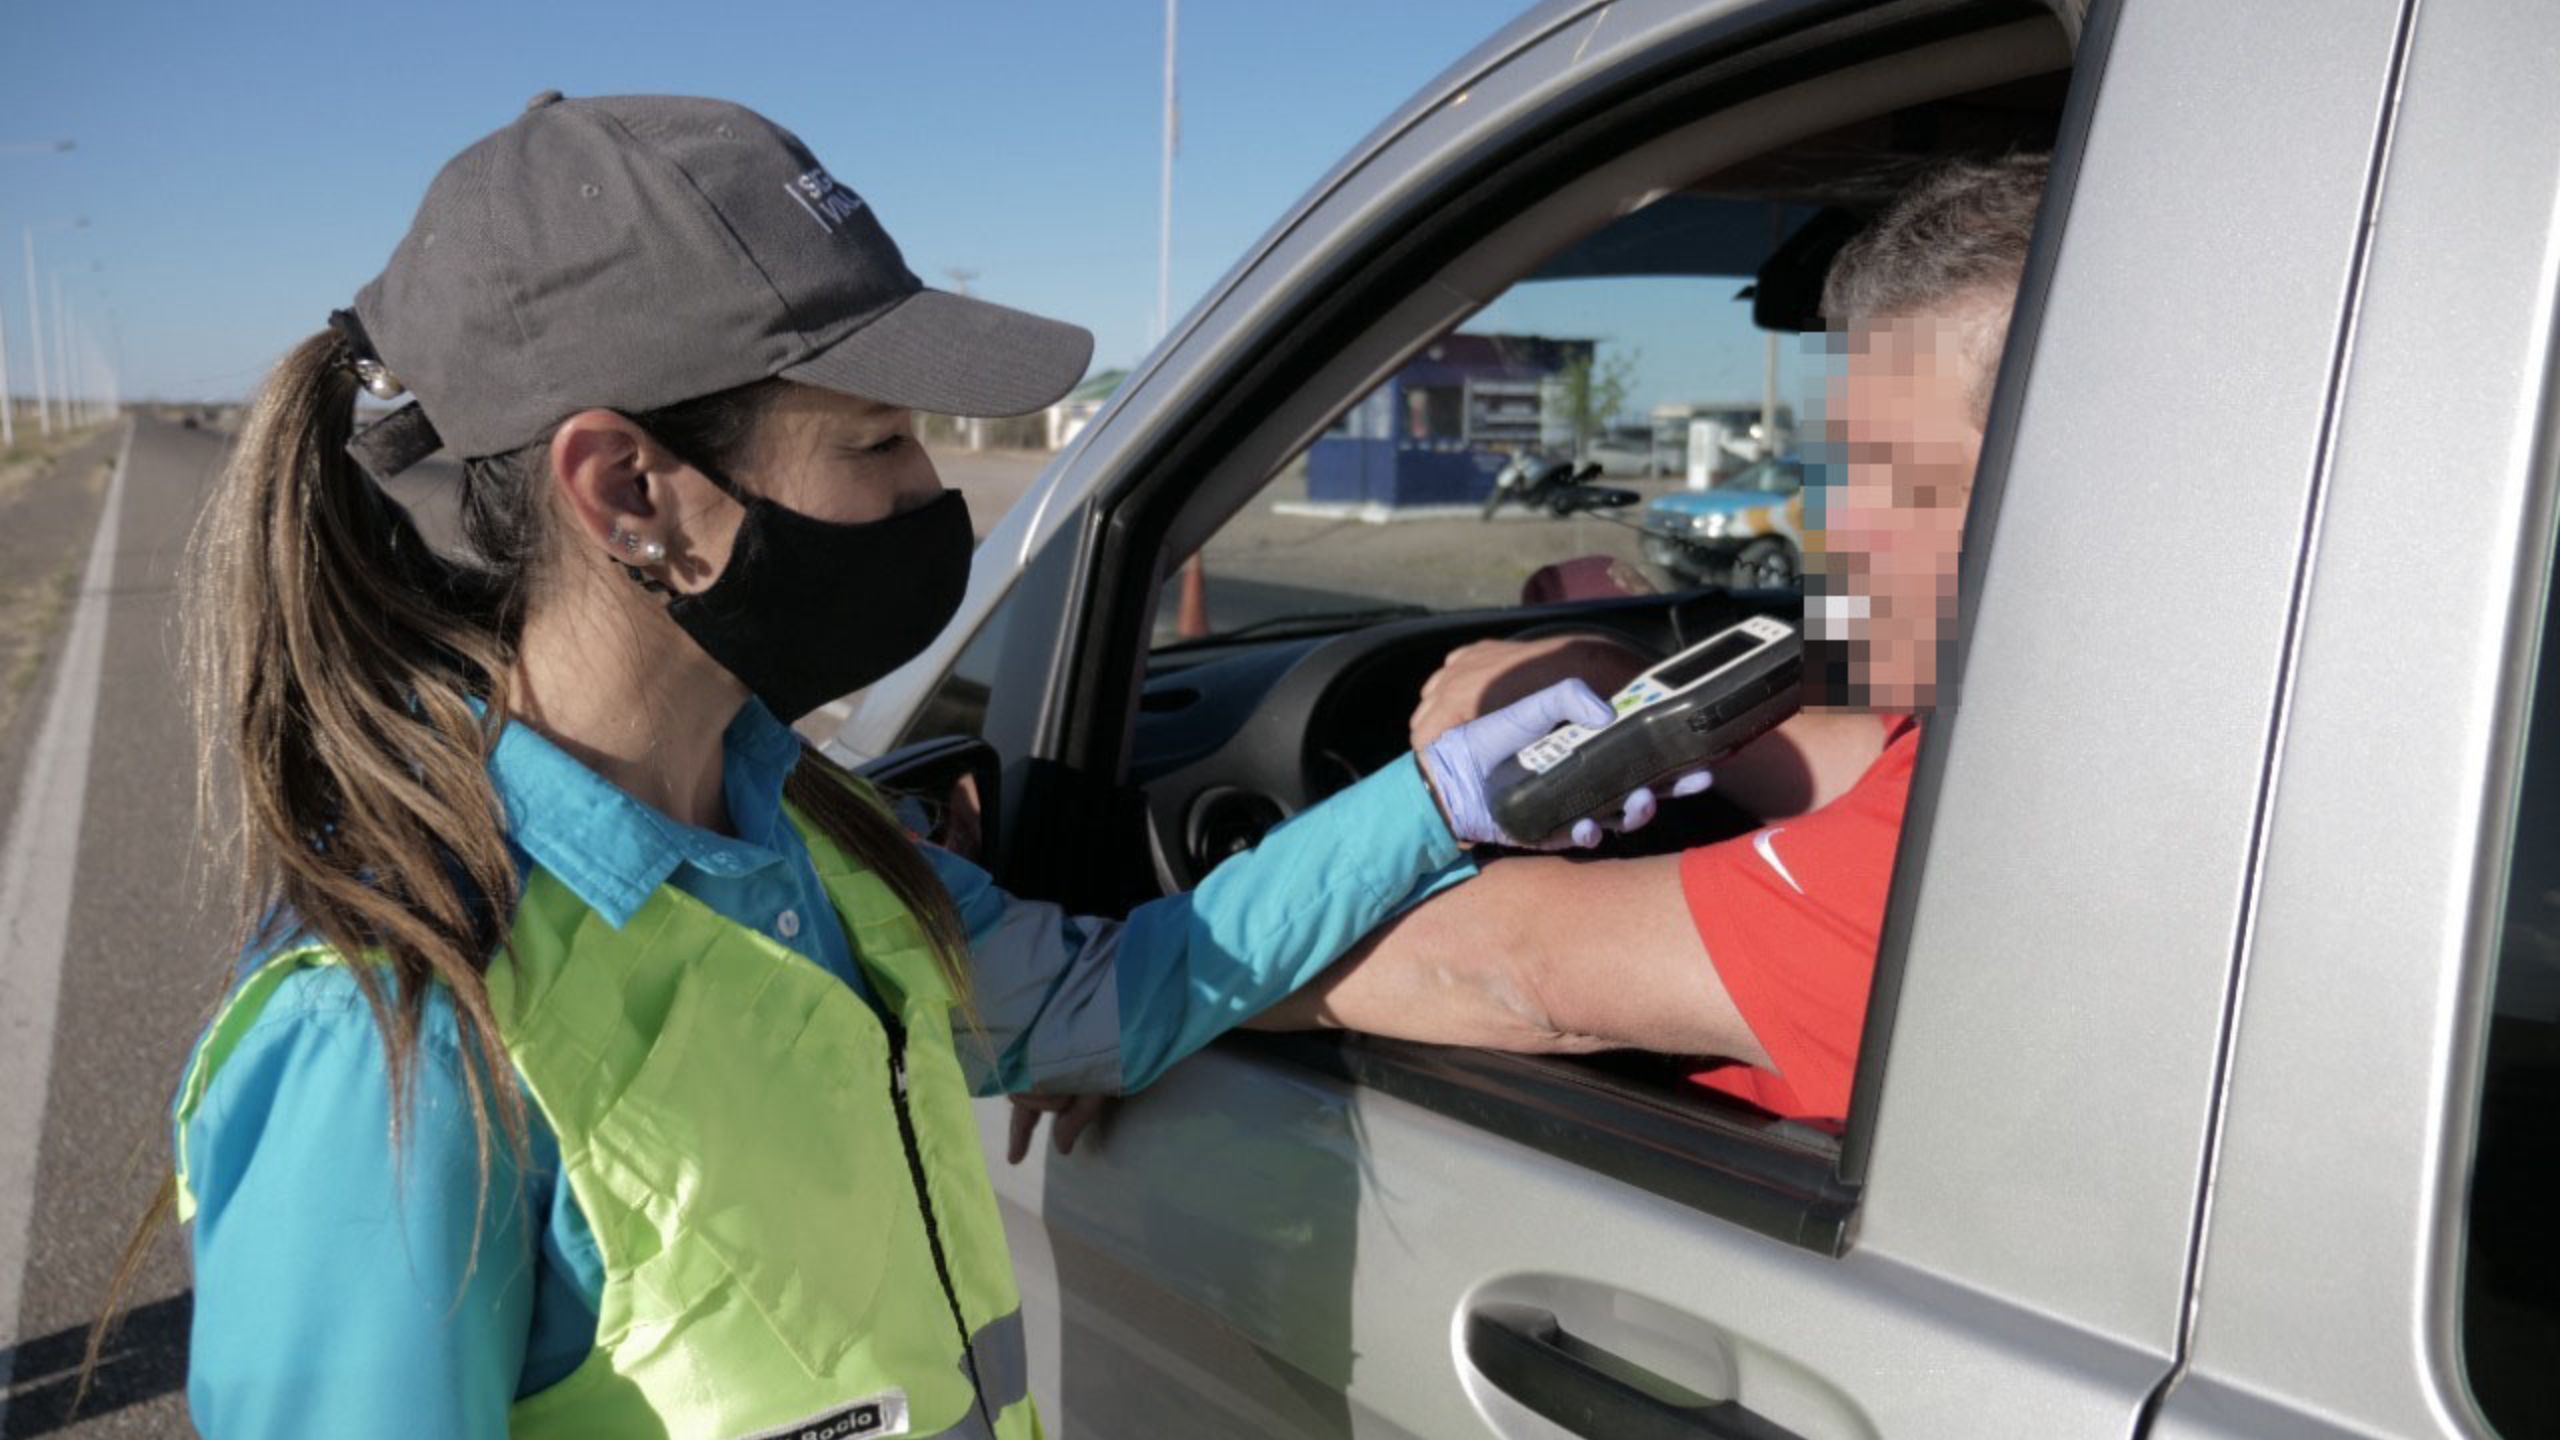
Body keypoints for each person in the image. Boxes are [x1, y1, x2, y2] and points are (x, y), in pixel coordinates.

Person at [149, 93, 1671, 1438]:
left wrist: (1451, 797)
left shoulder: (814, 851)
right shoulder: (402, 1036)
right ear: (630, 492)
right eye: (876, 440)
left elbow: (1124, 993)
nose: (932, 492)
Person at [1249, 153, 2050, 1131]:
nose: (1831, 520)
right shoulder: (2040, 722)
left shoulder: (2005, 853)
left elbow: (1510, 966)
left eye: (1903, 477)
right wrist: (1631, 692)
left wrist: (1134, 1005)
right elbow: (1874, 760)